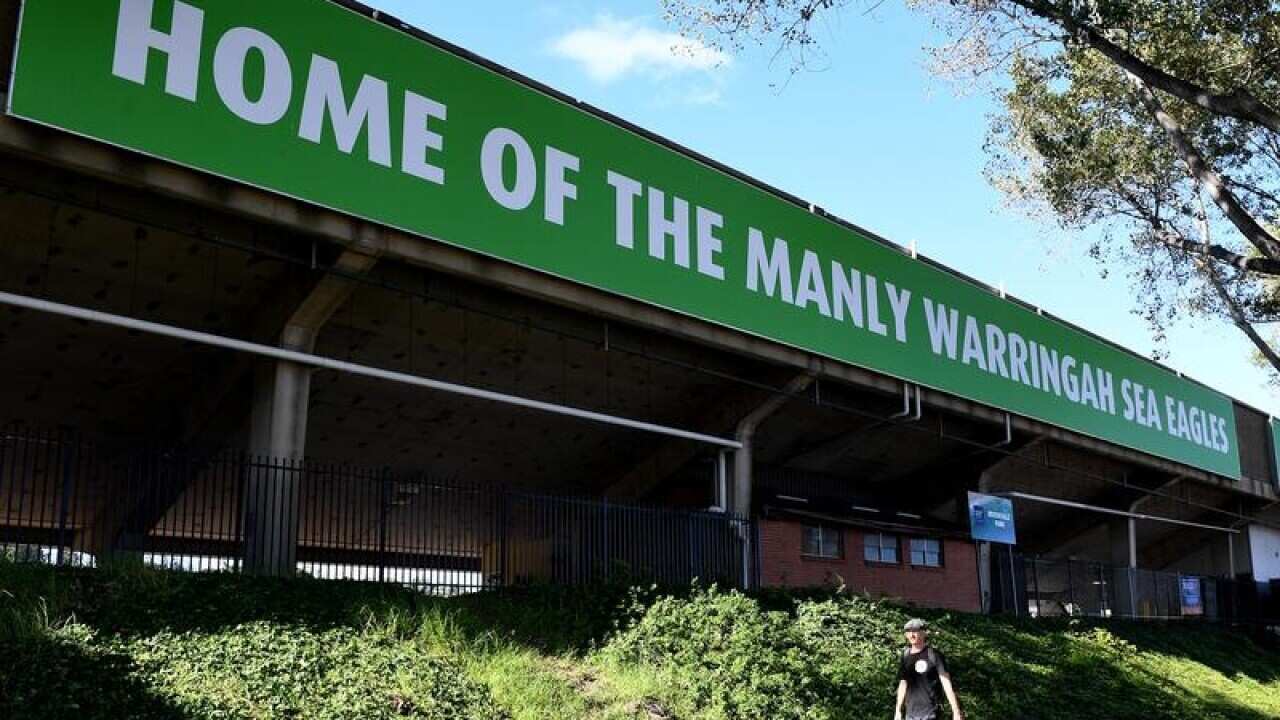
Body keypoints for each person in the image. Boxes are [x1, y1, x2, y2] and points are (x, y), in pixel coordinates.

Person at [894, 618, 963, 720]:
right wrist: (898, 710)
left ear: (924, 633)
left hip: (930, 713)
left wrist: (956, 712)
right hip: (910, 715)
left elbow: (947, 684)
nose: (911, 635)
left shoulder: (934, 655)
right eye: (908, 631)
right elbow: (903, 683)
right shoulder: (905, 656)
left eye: (915, 631)